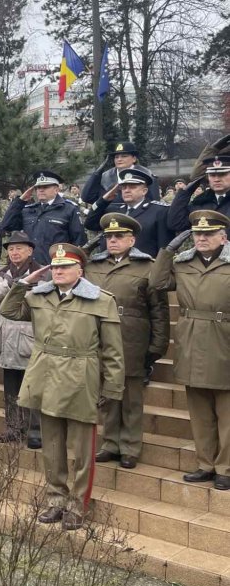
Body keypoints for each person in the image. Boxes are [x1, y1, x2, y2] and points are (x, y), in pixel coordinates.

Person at [0, 243, 125, 529]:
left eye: (65, 267)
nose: (58, 271)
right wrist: (25, 281)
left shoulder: (100, 300)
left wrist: (112, 389)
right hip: (46, 375)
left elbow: (113, 351)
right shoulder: (38, 296)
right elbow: (9, 310)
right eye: (54, 267)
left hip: (82, 377)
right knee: (51, 447)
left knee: (83, 451)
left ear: (80, 270)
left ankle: (78, 505)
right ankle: (55, 499)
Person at [151, 210, 230, 489]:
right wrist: (167, 251)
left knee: (226, 412)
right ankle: (205, 464)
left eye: (209, 234)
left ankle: (225, 468)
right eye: (198, 234)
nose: (202, 238)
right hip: (192, 340)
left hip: (223, 339)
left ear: (223, 236)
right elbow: (157, 283)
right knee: (199, 410)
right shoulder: (183, 263)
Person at [85, 214, 169, 469]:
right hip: (100, 338)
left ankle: (130, 447)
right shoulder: (93, 267)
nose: (113, 241)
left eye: (119, 237)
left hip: (132, 339)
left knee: (131, 397)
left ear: (132, 239)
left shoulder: (147, 267)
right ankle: (110, 443)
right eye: (109, 237)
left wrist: (156, 346)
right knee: (108, 395)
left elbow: (159, 311)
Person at [0, 232, 43, 449]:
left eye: (20, 248)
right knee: (10, 386)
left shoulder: (41, 273)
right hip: (4, 337)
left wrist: (21, 285)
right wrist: (7, 285)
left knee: (32, 386)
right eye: (11, 249)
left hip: (28, 336)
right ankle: (13, 427)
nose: (14, 253)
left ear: (30, 251)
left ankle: (35, 429)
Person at [0, 169, 86, 264]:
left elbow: (78, 240)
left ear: (56, 189)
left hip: (56, 265)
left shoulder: (69, 209)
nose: (40, 190)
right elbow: (6, 225)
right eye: (38, 187)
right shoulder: (29, 210)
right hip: (31, 266)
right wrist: (20, 201)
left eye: (45, 187)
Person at [83, 167, 171, 257]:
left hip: (142, 266)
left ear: (144, 191)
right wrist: (103, 200)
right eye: (124, 187)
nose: (127, 190)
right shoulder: (113, 209)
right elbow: (90, 224)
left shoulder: (159, 211)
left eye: (132, 187)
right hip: (111, 265)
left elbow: (163, 245)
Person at [81, 141, 160, 204]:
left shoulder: (147, 176)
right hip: (111, 219)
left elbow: (153, 203)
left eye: (124, 156)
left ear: (134, 159)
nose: (119, 159)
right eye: (116, 157)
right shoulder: (106, 177)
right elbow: (88, 198)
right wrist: (97, 173)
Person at [168, 154, 230, 234]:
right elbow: (176, 224)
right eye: (212, 175)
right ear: (208, 177)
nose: (216, 179)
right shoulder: (201, 202)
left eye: (222, 174)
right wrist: (186, 192)